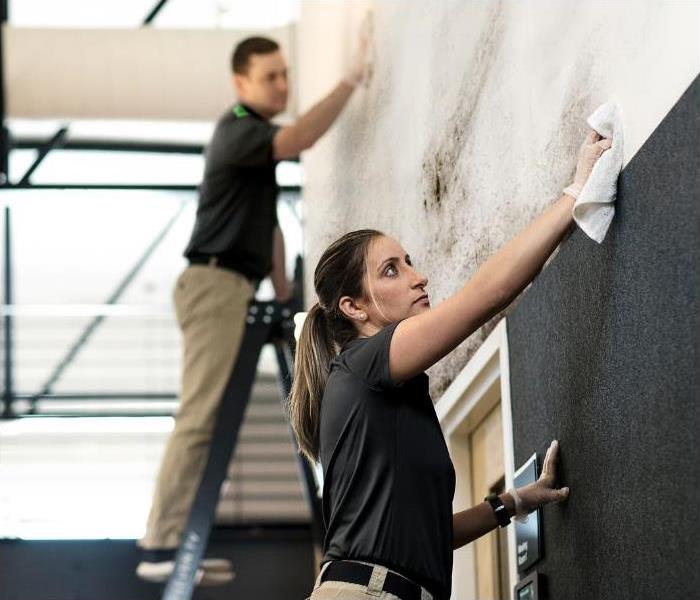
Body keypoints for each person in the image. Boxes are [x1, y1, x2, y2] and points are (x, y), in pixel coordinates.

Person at [288, 131, 612, 600]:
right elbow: (489, 294)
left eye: (409, 262)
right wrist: (576, 193)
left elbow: (427, 536)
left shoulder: (382, 394)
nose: (419, 277)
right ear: (355, 308)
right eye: (391, 270)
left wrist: (517, 502)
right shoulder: (363, 363)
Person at [136, 30, 371, 585]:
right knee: (200, 414)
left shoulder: (253, 149)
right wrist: (350, 82)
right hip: (215, 285)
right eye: (271, 77)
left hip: (232, 284)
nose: (282, 85)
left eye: (286, 74)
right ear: (241, 83)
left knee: (208, 413)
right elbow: (298, 140)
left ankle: (171, 538)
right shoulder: (239, 128)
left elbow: (267, 229)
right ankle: (163, 542)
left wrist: (285, 291)